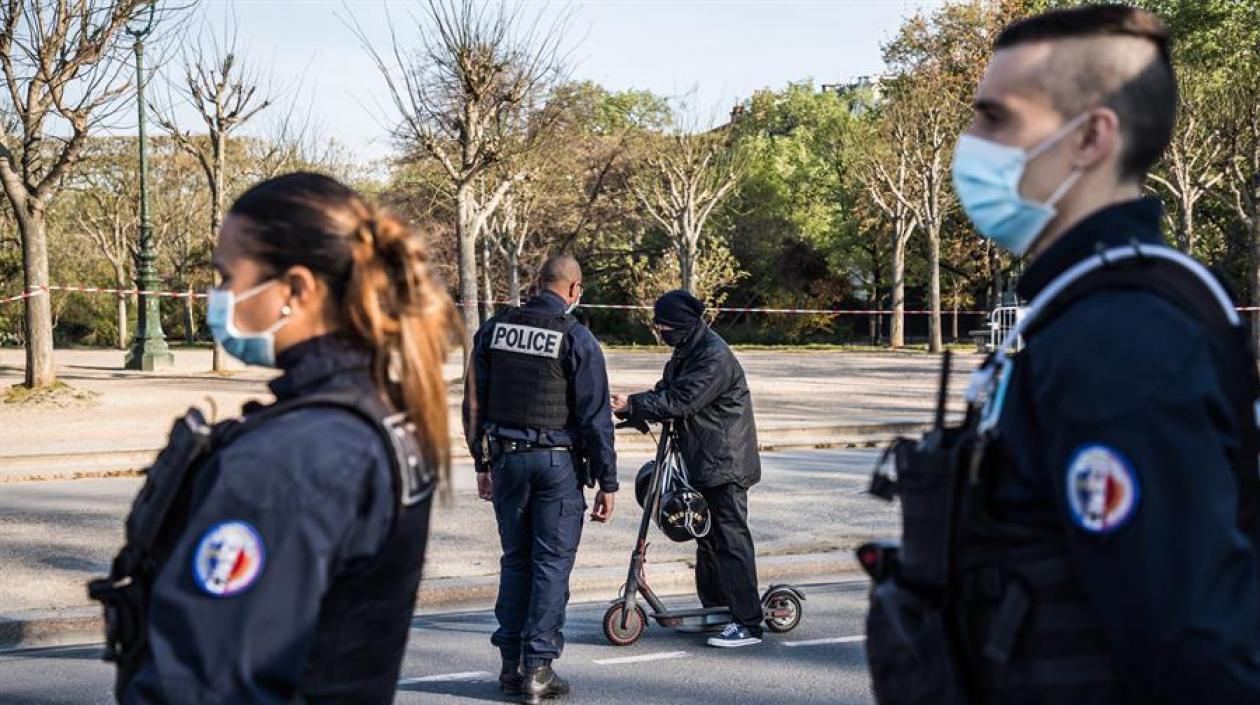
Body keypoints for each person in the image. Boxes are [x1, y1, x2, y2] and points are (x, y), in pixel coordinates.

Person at [868, 6, 1260, 704]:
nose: (970, 141)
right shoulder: (1079, 307)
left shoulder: (1121, 340)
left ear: (1090, 138)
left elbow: (1186, 648)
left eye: (995, 117)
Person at [103, 173, 457, 704]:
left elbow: (204, 686)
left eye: (226, 277)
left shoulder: (293, 456)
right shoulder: (377, 415)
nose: (217, 297)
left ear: (295, 289)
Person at [463, 254, 618, 704]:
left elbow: (474, 404)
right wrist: (607, 481)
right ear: (573, 290)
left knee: (516, 561)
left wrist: (481, 462)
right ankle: (538, 669)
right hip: (557, 466)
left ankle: (510, 667)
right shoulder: (576, 337)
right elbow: (595, 418)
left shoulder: (494, 330)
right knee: (550, 565)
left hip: (507, 462)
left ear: (537, 283)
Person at [611, 290, 763, 649]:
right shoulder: (687, 351)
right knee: (708, 539)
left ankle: (748, 623)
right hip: (703, 460)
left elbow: (682, 401)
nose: (659, 329)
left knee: (730, 540)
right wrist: (630, 406)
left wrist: (635, 404)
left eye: (663, 323)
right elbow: (666, 392)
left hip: (725, 463)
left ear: (681, 323)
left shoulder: (713, 356)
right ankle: (719, 609)